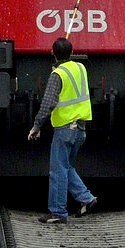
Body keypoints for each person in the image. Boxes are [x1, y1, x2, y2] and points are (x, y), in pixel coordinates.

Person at [28, 37, 97, 224]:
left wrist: (37, 125)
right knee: (66, 167)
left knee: (57, 170)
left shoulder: (57, 75)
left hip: (65, 129)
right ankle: (86, 198)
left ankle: (58, 212)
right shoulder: (81, 68)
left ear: (53, 53)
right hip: (81, 129)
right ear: (72, 52)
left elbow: (48, 103)